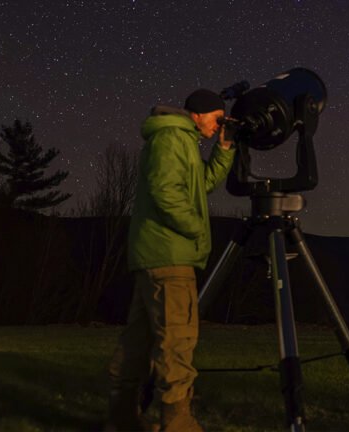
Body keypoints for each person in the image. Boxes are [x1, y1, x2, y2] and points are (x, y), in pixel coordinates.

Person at [105, 89, 235, 432]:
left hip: (155, 255)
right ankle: (177, 423)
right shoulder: (173, 138)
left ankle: (121, 418)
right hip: (171, 256)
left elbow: (199, 184)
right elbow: (167, 191)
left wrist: (223, 150)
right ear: (199, 114)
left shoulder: (181, 140)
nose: (218, 124)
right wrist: (194, 228)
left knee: (139, 338)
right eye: (217, 118)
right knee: (177, 340)